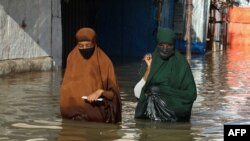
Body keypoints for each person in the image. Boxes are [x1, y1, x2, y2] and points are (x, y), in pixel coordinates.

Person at [134, 27, 197, 121]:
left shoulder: (181, 64)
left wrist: (163, 92)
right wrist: (149, 69)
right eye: (161, 45)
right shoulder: (151, 61)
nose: (165, 49)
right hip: (150, 120)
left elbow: (191, 94)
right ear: (157, 45)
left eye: (169, 46)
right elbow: (137, 93)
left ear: (174, 45)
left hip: (175, 119)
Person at [60, 27, 121, 123]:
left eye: (88, 45)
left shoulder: (104, 62)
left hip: (96, 119)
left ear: (94, 43)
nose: (84, 48)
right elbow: (66, 89)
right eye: (80, 46)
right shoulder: (72, 58)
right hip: (71, 118)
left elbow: (114, 95)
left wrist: (100, 92)